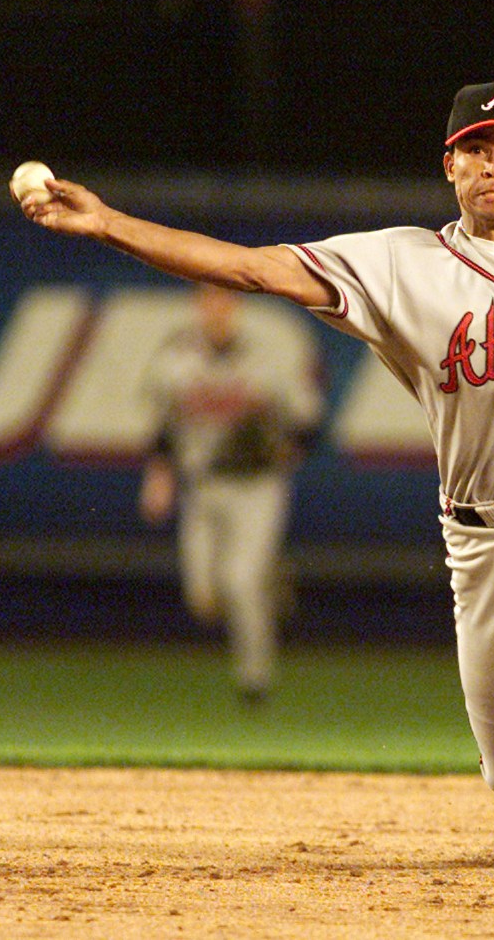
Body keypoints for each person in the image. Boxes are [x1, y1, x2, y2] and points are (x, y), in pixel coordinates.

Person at [14, 82, 494, 887]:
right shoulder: (400, 263)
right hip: (486, 529)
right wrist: (109, 223)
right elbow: (252, 269)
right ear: (449, 167)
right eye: (476, 150)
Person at [138, 283, 323, 702]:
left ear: (236, 307)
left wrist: (288, 450)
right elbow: (161, 427)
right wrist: (158, 477)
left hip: (256, 486)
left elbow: (308, 418)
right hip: (201, 486)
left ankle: (254, 680)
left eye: (224, 301)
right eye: (208, 301)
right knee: (202, 596)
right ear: (198, 307)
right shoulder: (176, 360)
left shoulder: (264, 360)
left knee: (239, 582)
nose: (216, 310)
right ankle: (270, 582)